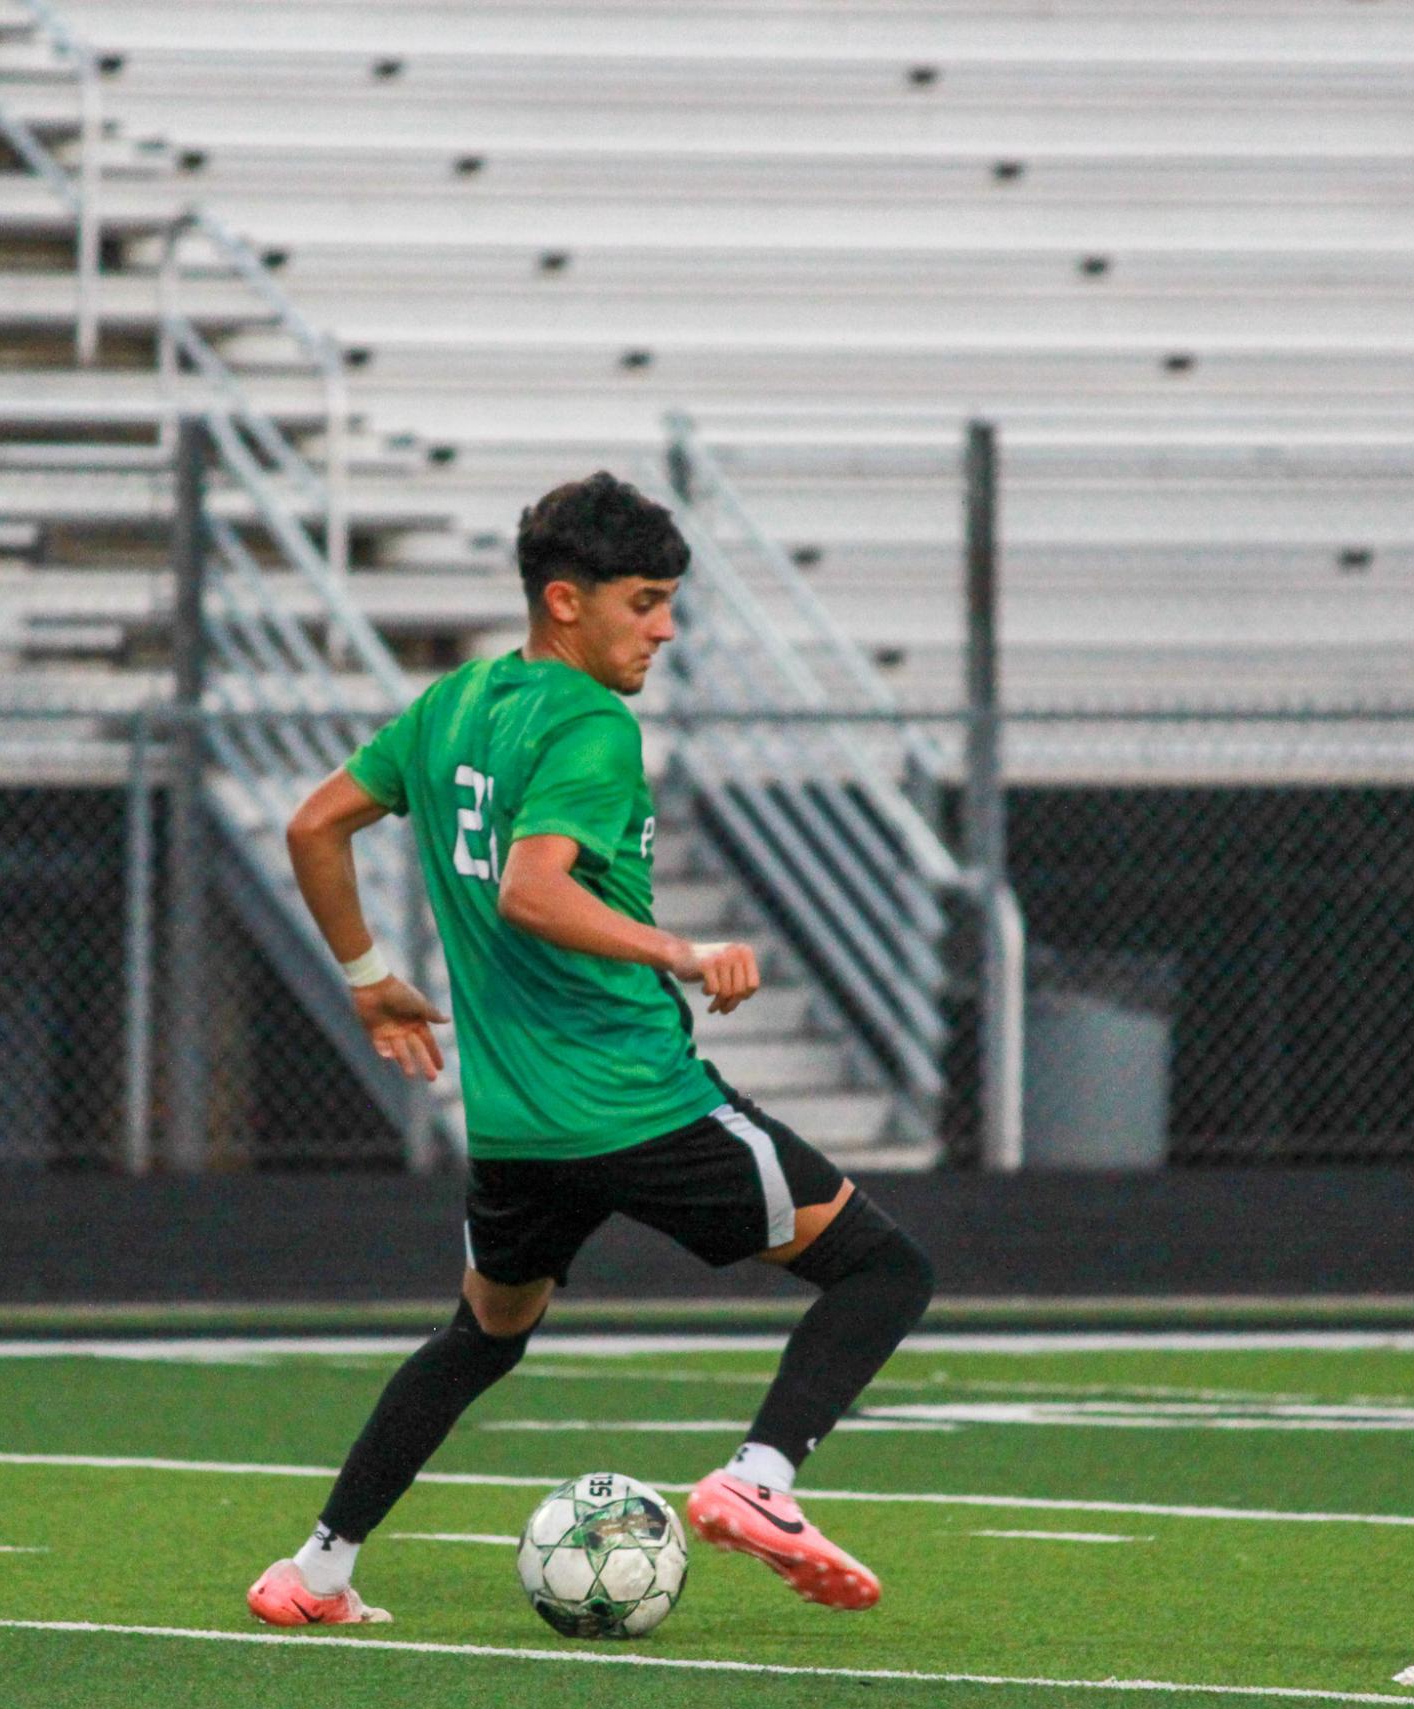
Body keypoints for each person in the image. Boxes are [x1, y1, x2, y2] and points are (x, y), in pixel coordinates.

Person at [247, 472, 933, 1627]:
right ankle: (760, 1481)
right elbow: (532, 891)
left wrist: (371, 982)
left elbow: (314, 823)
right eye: (645, 602)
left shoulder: (454, 703)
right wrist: (682, 948)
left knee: (481, 1337)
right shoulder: (592, 726)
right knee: (885, 1269)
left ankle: (315, 1572)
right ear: (565, 601)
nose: (665, 628)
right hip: (635, 1104)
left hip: (516, 1129)